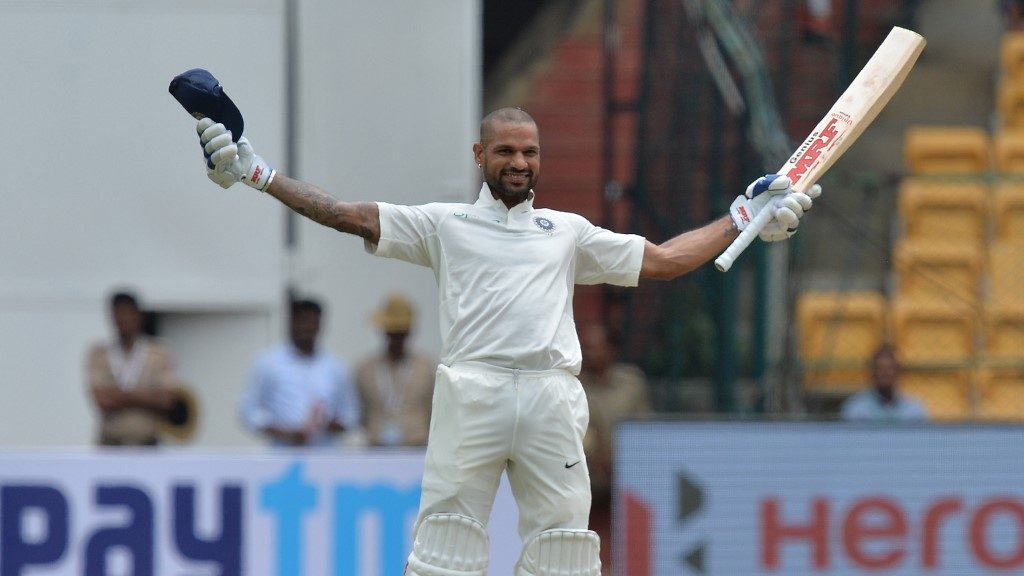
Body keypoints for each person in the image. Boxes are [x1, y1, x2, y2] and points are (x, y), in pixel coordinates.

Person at [191, 107, 819, 575]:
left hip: (551, 396)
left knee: (565, 553)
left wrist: (743, 217)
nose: (519, 162)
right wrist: (257, 173)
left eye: (530, 152)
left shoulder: (566, 231)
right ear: (479, 154)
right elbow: (345, 214)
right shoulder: (445, 223)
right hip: (473, 391)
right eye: (506, 151)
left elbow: (664, 260)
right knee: (445, 551)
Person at [577, 323, 652, 574]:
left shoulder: (631, 383)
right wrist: (593, 459)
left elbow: (644, 429)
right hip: (585, 476)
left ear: (611, 350)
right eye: (585, 347)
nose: (589, 353)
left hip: (629, 473)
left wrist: (623, 460)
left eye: (595, 347)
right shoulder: (571, 385)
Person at [238, 298, 359, 446]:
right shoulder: (268, 362)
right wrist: (282, 432)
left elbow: (351, 413)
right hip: (283, 452)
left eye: (312, 322)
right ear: (290, 323)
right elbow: (248, 410)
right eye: (301, 321)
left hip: (325, 452)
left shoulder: (335, 366)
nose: (306, 327)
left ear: (320, 325)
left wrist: (332, 424)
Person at [86, 291, 179, 446]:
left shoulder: (158, 353)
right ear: (112, 317)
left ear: (138, 315)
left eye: (128, 312)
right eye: (119, 313)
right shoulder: (100, 354)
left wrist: (119, 394)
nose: (124, 318)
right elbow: (102, 400)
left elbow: (166, 400)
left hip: (147, 443)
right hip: (111, 443)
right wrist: (147, 396)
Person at [356, 293, 436, 447]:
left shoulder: (425, 368)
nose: (396, 338)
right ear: (384, 331)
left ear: (409, 331)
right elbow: (361, 412)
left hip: (417, 447)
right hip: (376, 448)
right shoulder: (366, 369)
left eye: (401, 332)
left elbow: (433, 410)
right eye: (392, 331)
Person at [840, 344, 928, 421]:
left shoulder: (914, 410)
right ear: (872, 373)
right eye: (880, 369)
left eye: (889, 369)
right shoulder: (856, 409)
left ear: (898, 372)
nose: (885, 374)